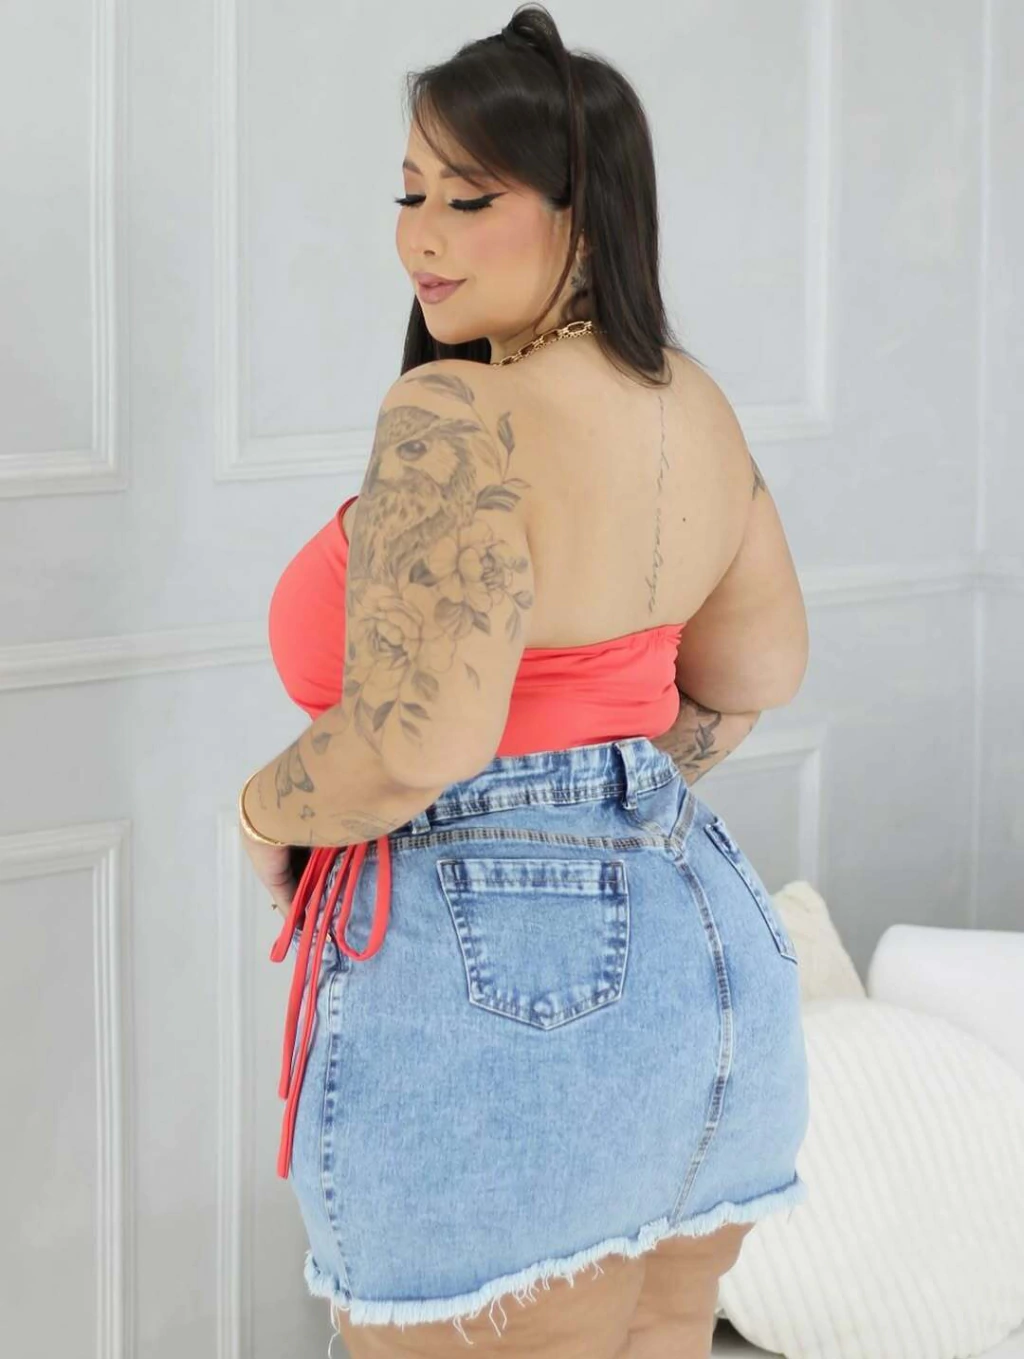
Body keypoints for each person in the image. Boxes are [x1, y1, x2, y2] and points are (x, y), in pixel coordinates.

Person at [239, 5, 811, 1356]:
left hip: (507, 974)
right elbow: (756, 670)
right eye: (410, 194)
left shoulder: (459, 413)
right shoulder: (696, 405)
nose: (421, 239)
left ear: (584, 216)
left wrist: (266, 814)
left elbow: (417, 735)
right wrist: (600, 796)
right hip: (700, 957)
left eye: (470, 198)